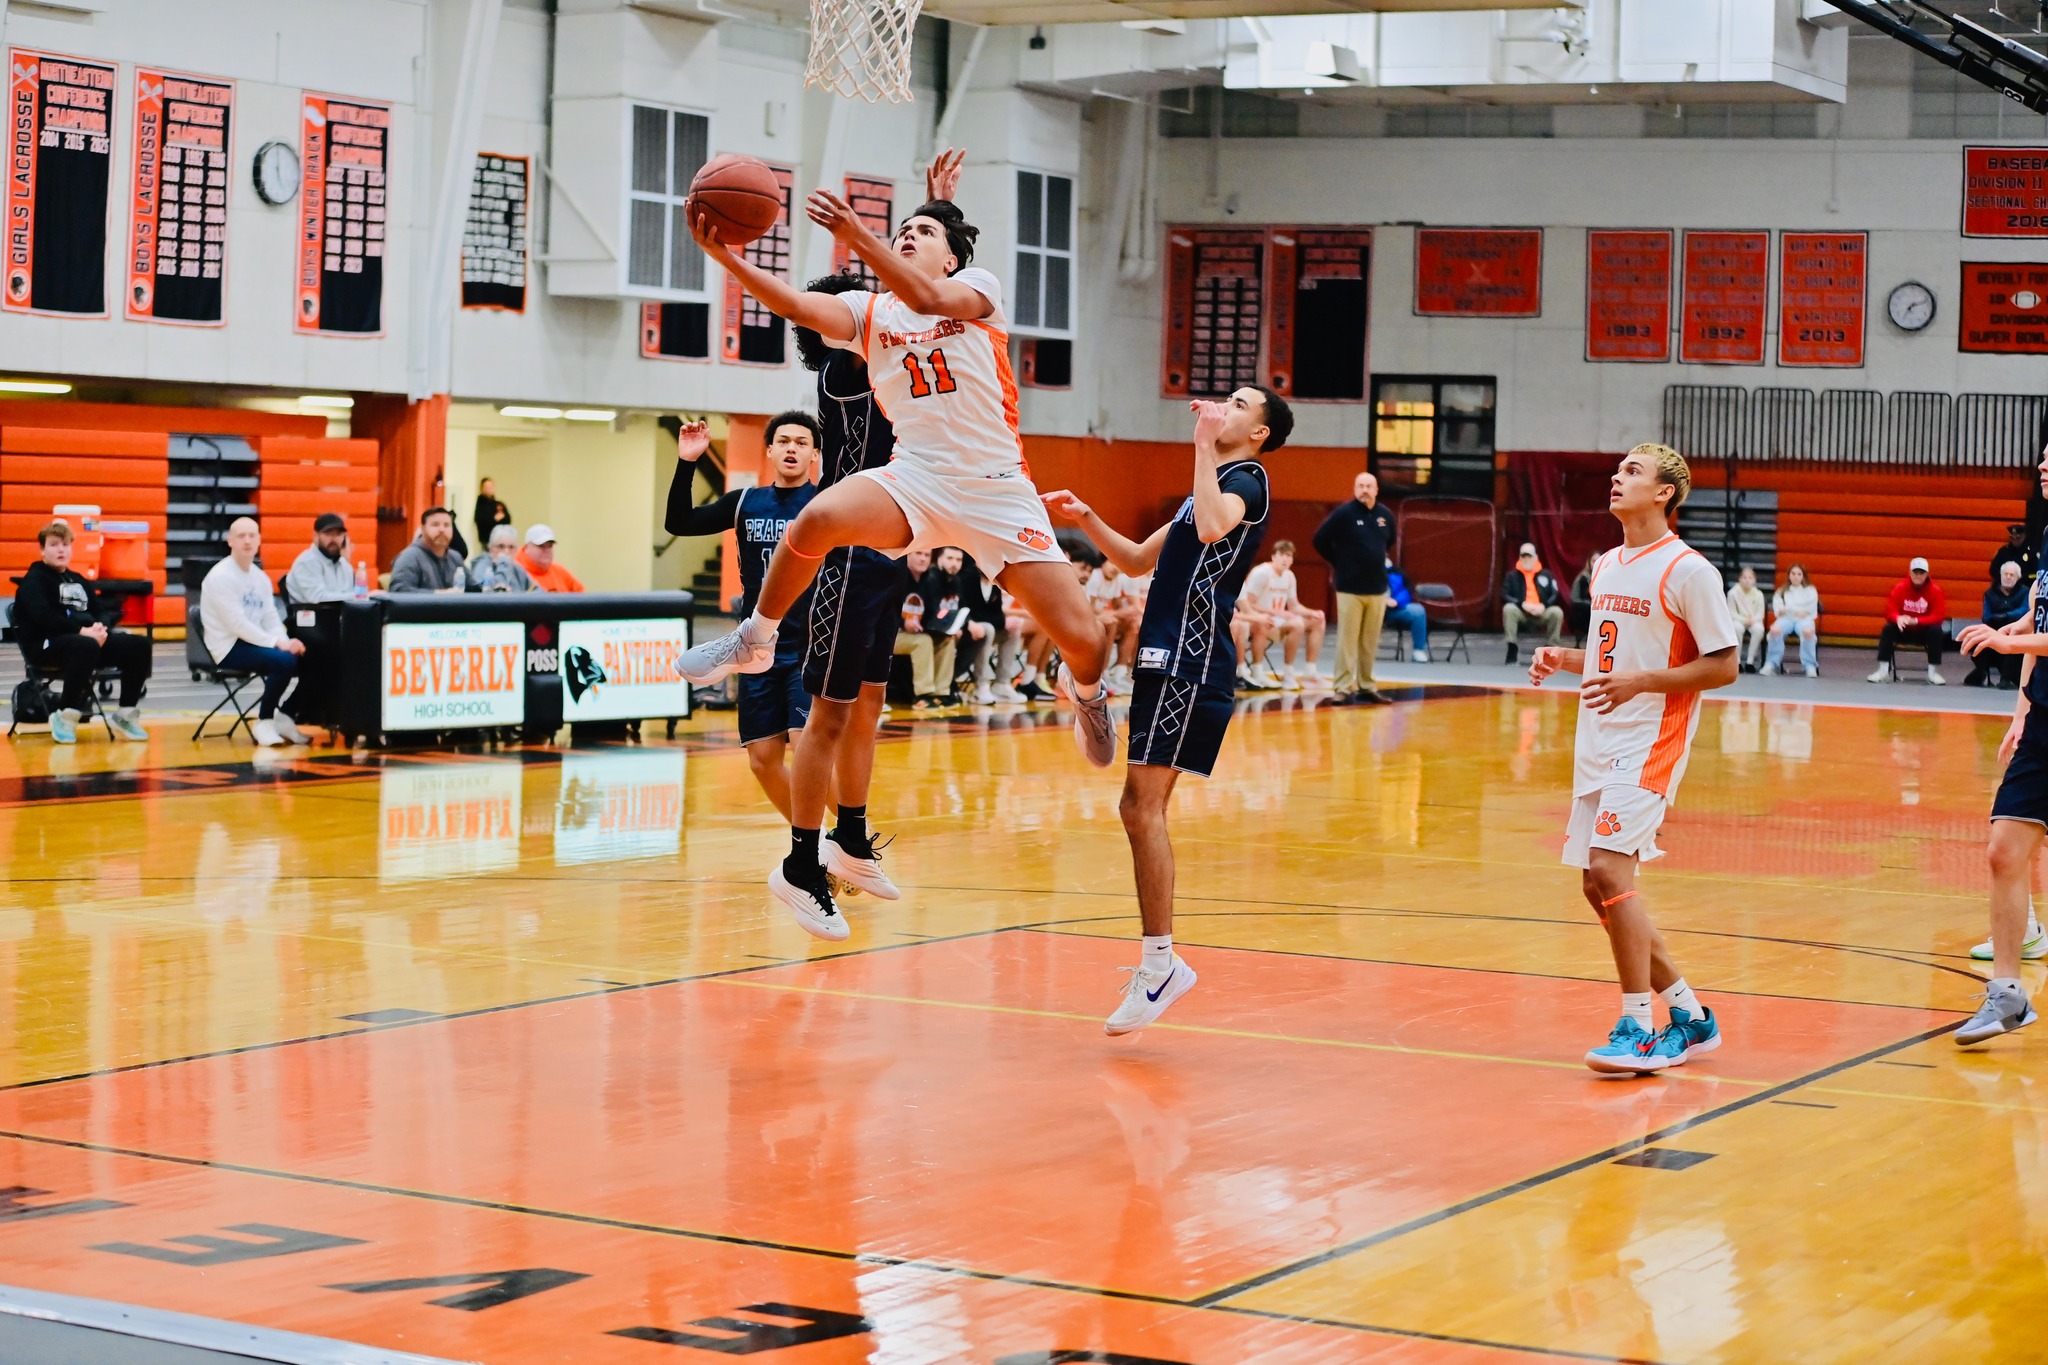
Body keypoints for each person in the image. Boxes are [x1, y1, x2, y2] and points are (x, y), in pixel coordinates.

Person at [674, 161, 1114, 938]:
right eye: (902, 229)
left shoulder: (977, 287)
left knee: (1089, 639)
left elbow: (934, 296)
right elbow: (795, 303)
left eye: (923, 230)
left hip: (995, 489)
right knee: (817, 519)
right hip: (916, 478)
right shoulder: (868, 312)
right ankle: (755, 636)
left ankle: (1086, 693)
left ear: (955, 253)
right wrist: (726, 258)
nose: (908, 236)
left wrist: (869, 232)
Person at [1043, 386, 1288, 1035]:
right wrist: (1086, 517)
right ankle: (1091, 696)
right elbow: (1133, 559)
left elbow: (1212, 528)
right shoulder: (1203, 487)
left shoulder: (1248, 481)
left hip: (1191, 657)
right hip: (1162, 653)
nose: (1224, 406)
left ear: (1259, 433)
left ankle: (1161, 965)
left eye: (1240, 404)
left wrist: (1204, 445)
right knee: (1137, 806)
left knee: (1141, 806)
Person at [1527, 443, 1740, 1074]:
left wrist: (1642, 683)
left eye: (1632, 472)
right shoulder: (1608, 565)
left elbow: (1725, 665)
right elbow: (1611, 658)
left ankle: (1637, 1026)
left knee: (1610, 870)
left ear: (1665, 493)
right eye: (1619, 470)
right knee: (1595, 884)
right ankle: (1690, 1015)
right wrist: (1564, 659)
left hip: (1651, 739)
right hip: (1598, 737)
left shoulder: (1689, 570)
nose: (1617, 479)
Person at [668, 411, 820, 819]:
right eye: (783, 441)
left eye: (801, 442)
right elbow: (678, 522)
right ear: (769, 450)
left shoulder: (825, 504)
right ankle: (816, 841)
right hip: (756, 649)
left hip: (809, 647)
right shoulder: (745, 502)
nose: (791, 448)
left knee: (807, 747)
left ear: (815, 454)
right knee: (762, 761)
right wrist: (687, 462)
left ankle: (852, 834)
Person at [1954, 447, 2048, 1044]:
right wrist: (2020, 711)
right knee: (2003, 852)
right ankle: (2008, 995)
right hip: (2044, 724)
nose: (2043, 467)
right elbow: (2042, 617)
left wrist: (2009, 643)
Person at [12, 520, 152, 742]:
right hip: (46, 645)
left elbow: (100, 610)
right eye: (54, 545)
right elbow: (44, 617)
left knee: (139, 645)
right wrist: (81, 631)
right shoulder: (34, 580)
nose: (61, 550)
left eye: (65, 544)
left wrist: (101, 628)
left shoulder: (78, 580)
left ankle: (126, 713)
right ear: (42, 550)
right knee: (85, 645)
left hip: (86, 642)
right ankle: (65, 715)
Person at [200, 517, 310, 748]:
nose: (247, 541)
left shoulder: (259, 578)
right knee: (282, 661)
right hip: (229, 646)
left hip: (254, 642)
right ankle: (264, 721)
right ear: (230, 541)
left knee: (312, 659)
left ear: (259, 540)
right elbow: (238, 625)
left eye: (252, 535)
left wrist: (286, 642)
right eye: (241, 536)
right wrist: (277, 644)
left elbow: (271, 618)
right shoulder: (221, 576)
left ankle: (286, 716)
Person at [1313, 472, 1393, 704]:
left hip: (1377, 587)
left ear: (1376, 490)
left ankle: (1367, 685)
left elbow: (1389, 542)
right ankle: (1342, 686)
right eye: (1360, 486)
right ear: (1355, 488)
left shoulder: (1385, 515)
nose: (1364, 490)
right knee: (1347, 641)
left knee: (1370, 642)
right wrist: (1339, 562)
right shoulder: (1344, 514)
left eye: (1369, 486)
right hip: (1350, 588)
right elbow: (1319, 539)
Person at [1239, 541, 1327, 690]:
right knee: (1295, 624)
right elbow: (1248, 604)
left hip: (1277, 621)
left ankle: (1309, 672)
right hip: (1258, 620)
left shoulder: (1289, 576)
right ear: (1273, 556)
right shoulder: (1262, 573)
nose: (1286, 559)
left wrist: (1312, 612)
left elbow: (1294, 606)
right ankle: (1278, 672)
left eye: (1289, 556)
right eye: (1282, 555)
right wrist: (1274, 612)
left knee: (1317, 620)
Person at [892, 549, 958, 708]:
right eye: (918, 554)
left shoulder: (929, 581)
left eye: (927, 555)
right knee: (923, 641)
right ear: (908, 555)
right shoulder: (897, 578)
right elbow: (886, 609)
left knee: (947, 640)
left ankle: (941, 693)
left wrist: (943, 627)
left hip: (915, 633)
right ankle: (922, 694)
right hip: (891, 634)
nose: (923, 559)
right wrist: (903, 622)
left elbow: (933, 613)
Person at [1868, 556, 1948, 685]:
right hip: (1903, 630)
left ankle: (1933, 673)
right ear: (1910, 572)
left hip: (1923, 632)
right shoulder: (1900, 588)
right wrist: (1898, 618)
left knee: (1936, 631)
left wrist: (1917, 621)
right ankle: (1883, 671)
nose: (1918, 575)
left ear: (1927, 574)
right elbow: (1889, 611)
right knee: (1888, 629)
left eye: (1921, 573)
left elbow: (1938, 616)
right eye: (1915, 572)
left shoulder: (1935, 591)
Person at [1966, 560, 2029, 689]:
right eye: (2005, 574)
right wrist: (1998, 620)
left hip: (2015, 630)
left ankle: (2007, 677)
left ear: (2018, 577)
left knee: (2012, 638)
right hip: (1995, 627)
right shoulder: (1989, 593)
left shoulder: (2025, 592)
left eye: (2012, 575)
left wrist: (2006, 615)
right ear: (2000, 575)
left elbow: (2024, 611)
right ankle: (1981, 670)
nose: (2008, 577)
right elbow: (1986, 616)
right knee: (1980, 636)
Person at [1500, 542, 1564, 663]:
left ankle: (1550, 648)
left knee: (1556, 612)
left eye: (1529, 556)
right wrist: (1521, 604)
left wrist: (1544, 605)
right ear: (1519, 558)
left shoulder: (1547, 575)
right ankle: (1512, 648)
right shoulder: (1511, 576)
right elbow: (1504, 595)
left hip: (1541, 611)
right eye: (1523, 556)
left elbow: (1555, 594)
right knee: (1509, 609)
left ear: (1536, 557)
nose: (1526, 559)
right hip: (1522, 611)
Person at [388, 507, 468, 593]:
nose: (442, 530)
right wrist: (438, 594)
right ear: (423, 529)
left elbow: (474, 588)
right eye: (435, 525)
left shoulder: (455, 557)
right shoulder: (409, 557)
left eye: (446, 525)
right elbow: (399, 591)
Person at [283, 513, 357, 604]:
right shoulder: (306, 562)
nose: (333, 539)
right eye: (328, 534)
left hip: (340, 613)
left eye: (338, 534)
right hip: (312, 613)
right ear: (316, 536)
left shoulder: (344, 565)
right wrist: (358, 596)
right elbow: (318, 598)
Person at [1761, 564, 1820, 677]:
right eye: (1793, 574)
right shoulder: (1781, 591)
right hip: (1786, 619)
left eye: (1799, 574)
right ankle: (1771, 664)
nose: (1796, 577)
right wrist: (1795, 611)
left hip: (1804, 620)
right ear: (1789, 576)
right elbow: (1779, 610)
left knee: (1808, 632)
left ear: (1803, 576)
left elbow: (1809, 610)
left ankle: (1809, 666)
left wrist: (1789, 610)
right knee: (1775, 630)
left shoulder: (1811, 590)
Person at [469, 524, 538, 592]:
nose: (506, 551)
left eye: (511, 547)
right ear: (491, 548)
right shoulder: (482, 565)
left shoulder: (518, 569)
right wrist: (504, 562)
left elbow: (535, 590)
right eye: (501, 546)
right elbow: (497, 590)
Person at [517, 525, 586, 593]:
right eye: (541, 546)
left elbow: (582, 595)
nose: (546, 550)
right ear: (527, 547)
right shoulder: (516, 572)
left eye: (550, 546)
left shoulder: (559, 571)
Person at [1384, 564, 1430, 662]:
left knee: (1418, 611)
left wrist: (1396, 601)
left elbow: (1405, 591)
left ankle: (1418, 650)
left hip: (1393, 610)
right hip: (1369, 607)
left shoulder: (1395, 573)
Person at [1727, 566, 1767, 673]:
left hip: (1753, 620)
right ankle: (1737, 661)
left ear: (1754, 580)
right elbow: (1731, 613)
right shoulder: (1732, 593)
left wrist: (1753, 620)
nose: (1747, 580)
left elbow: (1760, 613)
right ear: (1739, 579)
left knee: (1759, 629)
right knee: (1737, 629)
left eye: (1750, 578)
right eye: (1744, 577)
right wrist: (1744, 620)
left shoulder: (1759, 594)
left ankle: (1750, 661)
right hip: (1738, 620)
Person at [1568, 550, 1601, 643]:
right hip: (1584, 611)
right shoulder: (1582, 578)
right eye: (1594, 561)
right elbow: (1574, 598)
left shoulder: (1604, 578)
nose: (1596, 564)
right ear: (1589, 562)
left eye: (1598, 561)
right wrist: (1591, 605)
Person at [474, 477, 512, 547]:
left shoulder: (499, 504)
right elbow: (480, 521)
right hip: (487, 539)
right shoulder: (480, 505)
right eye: (487, 487)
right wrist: (494, 519)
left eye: (491, 487)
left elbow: (508, 519)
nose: (489, 489)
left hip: (501, 539)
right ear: (482, 489)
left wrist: (502, 517)